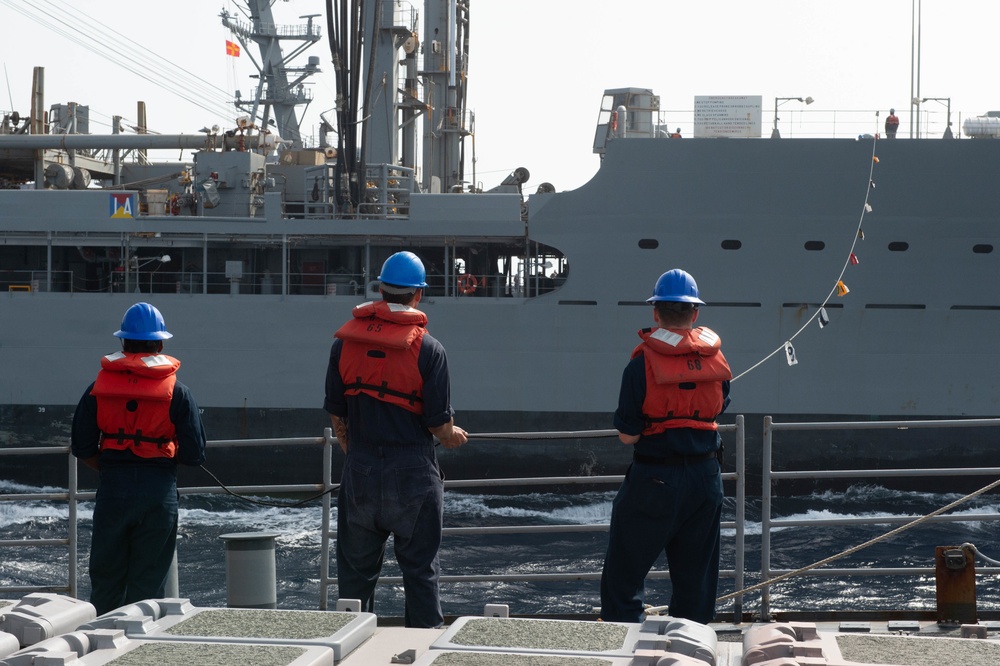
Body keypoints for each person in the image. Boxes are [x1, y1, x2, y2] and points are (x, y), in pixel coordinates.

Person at [324, 250, 468, 628]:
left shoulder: (343, 344)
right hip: (414, 475)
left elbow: (337, 413)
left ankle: (348, 648)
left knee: (354, 580)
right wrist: (453, 438)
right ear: (418, 295)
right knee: (420, 573)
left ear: (381, 289)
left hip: (362, 468)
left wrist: (355, 453)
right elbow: (439, 425)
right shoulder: (430, 350)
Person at [600, 269, 732, 625]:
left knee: (623, 577)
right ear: (695, 314)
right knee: (696, 583)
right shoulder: (716, 362)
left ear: (656, 313)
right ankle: (691, 650)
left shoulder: (641, 364)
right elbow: (718, 409)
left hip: (655, 480)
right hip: (706, 480)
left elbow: (628, 435)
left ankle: (623, 646)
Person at [71, 302, 207, 615]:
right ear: (160, 344)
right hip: (158, 491)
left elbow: (82, 445)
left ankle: (99, 647)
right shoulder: (179, 392)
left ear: (123, 342)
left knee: (106, 579)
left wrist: (111, 468)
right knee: (148, 585)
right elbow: (195, 455)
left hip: (113, 489)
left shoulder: (98, 389)